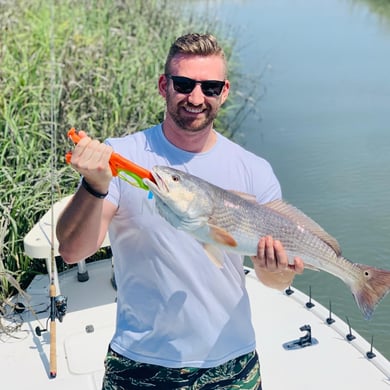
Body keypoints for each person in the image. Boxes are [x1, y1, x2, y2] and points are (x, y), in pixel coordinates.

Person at [57, 33, 304, 390]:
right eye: (184, 84)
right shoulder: (124, 156)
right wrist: (94, 185)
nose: (196, 98)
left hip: (233, 364)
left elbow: (277, 282)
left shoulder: (254, 170)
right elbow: (72, 251)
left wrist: (275, 270)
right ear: (164, 85)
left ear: (225, 91)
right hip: (139, 364)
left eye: (211, 87)